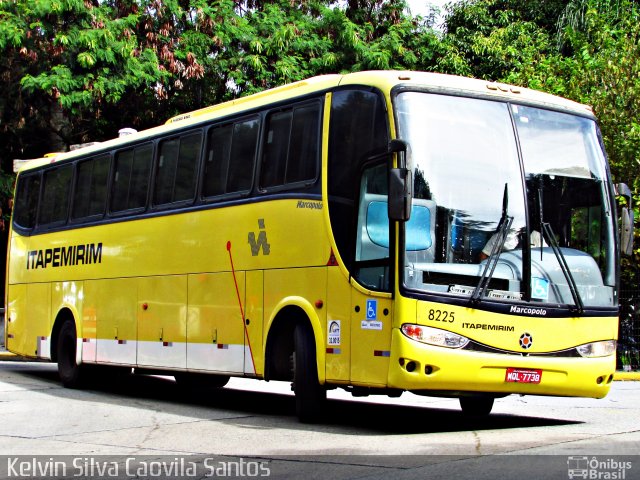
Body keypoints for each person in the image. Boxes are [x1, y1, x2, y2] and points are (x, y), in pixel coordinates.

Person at [479, 230, 545, 261]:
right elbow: (484, 255)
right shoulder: (501, 236)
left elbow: (545, 257)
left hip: (530, 275)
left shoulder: (536, 236)